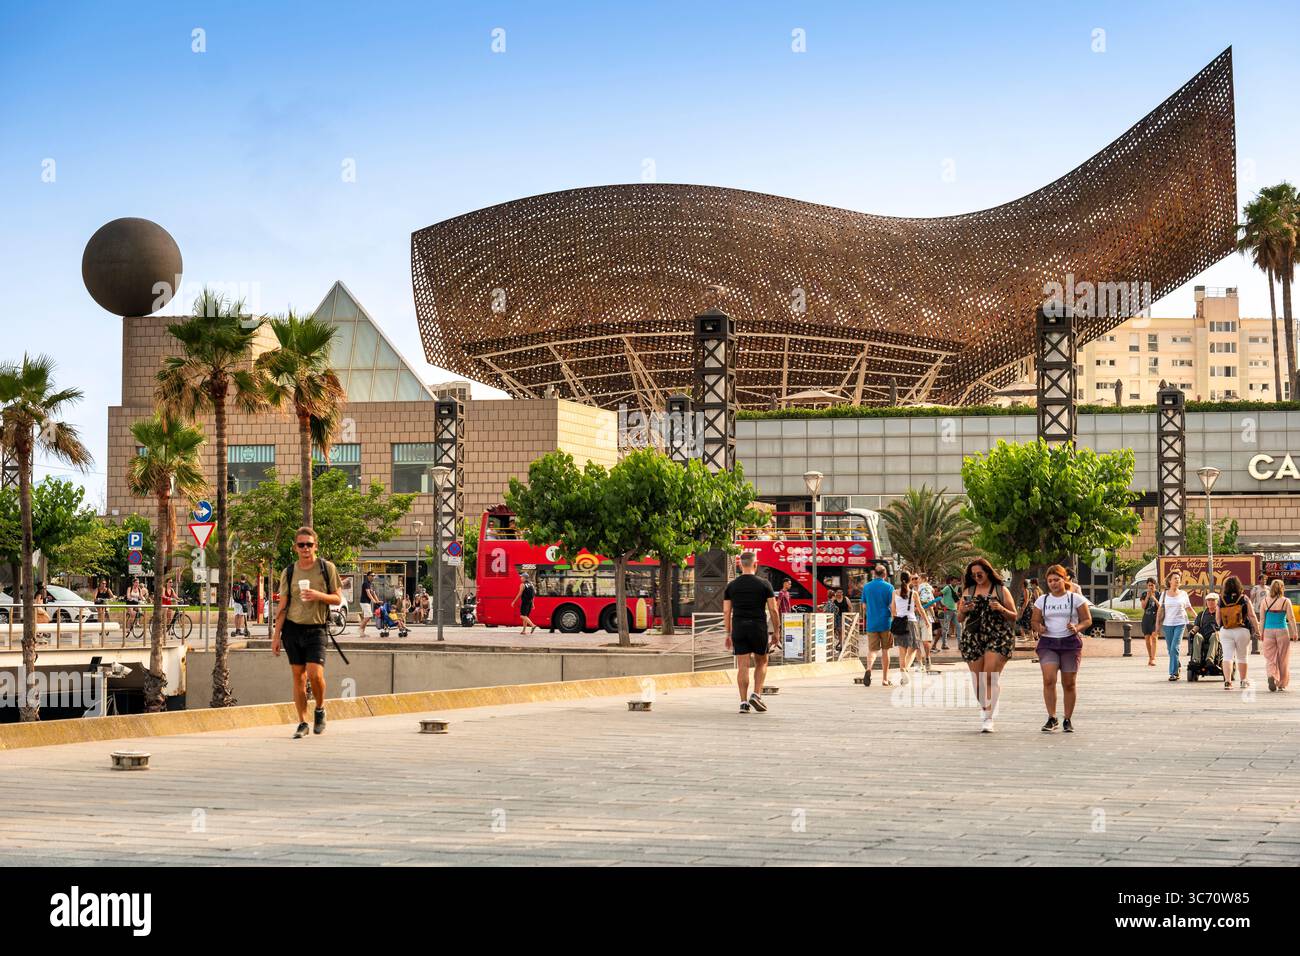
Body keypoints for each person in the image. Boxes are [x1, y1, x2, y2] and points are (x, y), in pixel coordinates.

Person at [271, 526, 343, 738]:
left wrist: (318, 595)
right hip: (292, 629)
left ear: (316, 546)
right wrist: (276, 636)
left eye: (309, 544)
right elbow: (282, 606)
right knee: (298, 677)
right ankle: (302, 722)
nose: (305, 548)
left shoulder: (326, 568)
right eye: (301, 544)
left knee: (315, 673)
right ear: (295, 547)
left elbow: (338, 598)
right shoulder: (289, 572)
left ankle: (320, 708)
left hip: (317, 628)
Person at [956, 557, 1018, 733]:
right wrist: (963, 610)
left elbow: (1014, 616)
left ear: (988, 572)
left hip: (997, 635)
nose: (976, 577)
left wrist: (1000, 608)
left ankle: (988, 717)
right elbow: (960, 619)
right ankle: (985, 709)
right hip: (973, 637)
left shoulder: (1000, 590)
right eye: (973, 574)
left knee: (990, 676)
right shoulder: (969, 590)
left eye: (979, 573)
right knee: (978, 681)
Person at [1031, 565, 1091, 733]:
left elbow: (1087, 619)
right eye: (1050, 581)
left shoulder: (1075, 599)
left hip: (1070, 644)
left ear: (1064, 579)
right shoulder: (1042, 600)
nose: (1053, 583)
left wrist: (1077, 627)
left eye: (1056, 580)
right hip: (1048, 643)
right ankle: (1051, 717)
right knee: (1049, 679)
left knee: (1069, 683)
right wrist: (1039, 628)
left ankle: (1067, 718)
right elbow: (1034, 621)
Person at [723, 551, 781, 713]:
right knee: (762, 661)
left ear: (740, 565)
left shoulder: (731, 586)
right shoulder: (764, 584)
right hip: (758, 627)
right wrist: (776, 631)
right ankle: (756, 694)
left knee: (743, 665)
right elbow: (773, 610)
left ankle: (743, 703)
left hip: (739, 628)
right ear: (756, 564)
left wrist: (728, 633)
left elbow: (727, 612)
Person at [1216, 575, 1259, 691]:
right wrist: (1258, 630)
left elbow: (1217, 618)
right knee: (1242, 657)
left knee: (1227, 656)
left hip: (1226, 631)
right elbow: (1252, 616)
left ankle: (1227, 682)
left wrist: (1221, 628)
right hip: (1242, 630)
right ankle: (1244, 681)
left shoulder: (1221, 599)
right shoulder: (1244, 598)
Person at [1154, 570, 1193, 682]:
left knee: (1174, 647)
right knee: (1170, 649)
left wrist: (1199, 617)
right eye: (1175, 578)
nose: (1177, 580)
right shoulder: (1164, 594)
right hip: (1167, 624)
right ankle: (1177, 664)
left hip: (1180, 623)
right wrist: (1157, 626)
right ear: (1169, 581)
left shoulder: (1183, 594)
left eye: (1178, 578)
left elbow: (1188, 608)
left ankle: (1173, 673)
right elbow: (1160, 610)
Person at [860, 562, 895, 687]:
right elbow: (892, 606)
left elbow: (864, 606)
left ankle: (869, 668)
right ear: (885, 574)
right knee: (885, 650)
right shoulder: (889, 587)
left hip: (872, 623)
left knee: (872, 650)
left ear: (874, 574)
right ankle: (885, 679)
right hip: (886, 622)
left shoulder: (867, 587)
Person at [1260, 579, 1296, 692]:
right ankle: (1281, 684)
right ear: (1282, 588)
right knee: (1283, 658)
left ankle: (1271, 675)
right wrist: (1295, 632)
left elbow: (1262, 619)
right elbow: (1291, 618)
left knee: (1270, 657)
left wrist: (1261, 633)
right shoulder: (1286, 601)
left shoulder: (1264, 601)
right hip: (1282, 631)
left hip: (1268, 631)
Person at [892, 571, 920, 683]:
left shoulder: (895, 592)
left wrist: (894, 622)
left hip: (898, 621)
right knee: (913, 648)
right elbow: (920, 608)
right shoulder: (914, 593)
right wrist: (927, 620)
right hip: (911, 622)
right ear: (910, 580)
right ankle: (905, 669)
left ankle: (903, 670)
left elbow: (893, 610)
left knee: (902, 650)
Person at [915, 572, 937, 672]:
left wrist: (918, 608)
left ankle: (923, 660)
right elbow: (933, 603)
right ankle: (924, 660)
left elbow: (930, 603)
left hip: (921, 616)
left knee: (921, 641)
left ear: (922, 578)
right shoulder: (929, 588)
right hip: (922, 616)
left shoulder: (922, 587)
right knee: (921, 641)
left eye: (918, 578)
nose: (916, 580)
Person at [823, 587, 850, 655]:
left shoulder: (830, 603)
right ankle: (831, 649)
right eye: (836, 594)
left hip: (835, 620)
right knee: (831, 635)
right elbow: (830, 612)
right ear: (833, 596)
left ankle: (833, 648)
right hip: (833, 621)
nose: (838, 594)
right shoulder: (832, 603)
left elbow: (825, 610)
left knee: (834, 634)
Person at [1139, 578, 1160, 667]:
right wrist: (1147, 596)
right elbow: (1143, 606)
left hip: (1155, 618)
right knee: (1147, 638)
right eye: (1149, 585)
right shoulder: (1144, 594)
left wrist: (1154, 598)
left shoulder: (1159, 594)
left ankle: (1153, 658)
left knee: (1154, 637)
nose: (1151, 587)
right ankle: (1150, 657)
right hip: (1146, 618)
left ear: (1155, 585)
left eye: (1152, 585)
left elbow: (1160, 607)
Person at [939, 574, 961, 650]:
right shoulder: (947, 587)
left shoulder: (957, 588)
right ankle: (944, 644)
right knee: (946, 628)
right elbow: (939, 594)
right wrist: (942, 606)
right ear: (951, 581)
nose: (955, 583)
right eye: (954, 581)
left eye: (956, 581)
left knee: (959, 626)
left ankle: (960, 645)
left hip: (954, 610)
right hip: (947, 610)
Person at [358, 572, 378, 637]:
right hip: (364, 602)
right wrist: (373, 601)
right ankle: (360, 629)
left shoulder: (370, 584)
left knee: (367, 617)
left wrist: (378, 601)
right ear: (368, 576)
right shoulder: (366, 583)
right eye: (372, 575)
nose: (373, 577)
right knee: (368, 616)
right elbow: (368, 593)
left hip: (367, 602)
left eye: (374, 575)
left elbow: (373, 593)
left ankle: (362, 633)